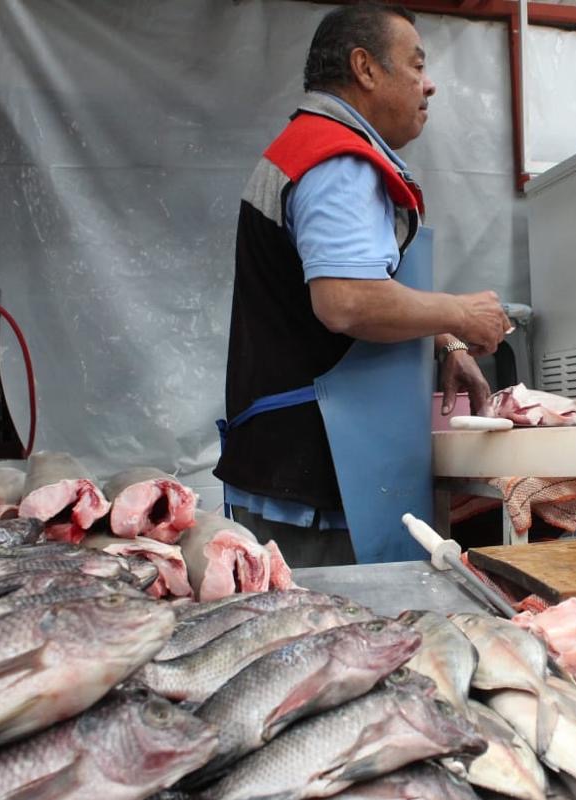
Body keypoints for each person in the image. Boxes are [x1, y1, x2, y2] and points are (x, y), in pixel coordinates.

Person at [214, 4, 510, 568]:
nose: (430, 85)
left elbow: (350, 291)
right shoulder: (337, 162)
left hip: (315, 462)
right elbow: (346, 301)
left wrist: (441, 338)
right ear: (365, 69)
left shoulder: (315, 148)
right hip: (325, 471)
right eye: (416, 65)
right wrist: (461, 314)